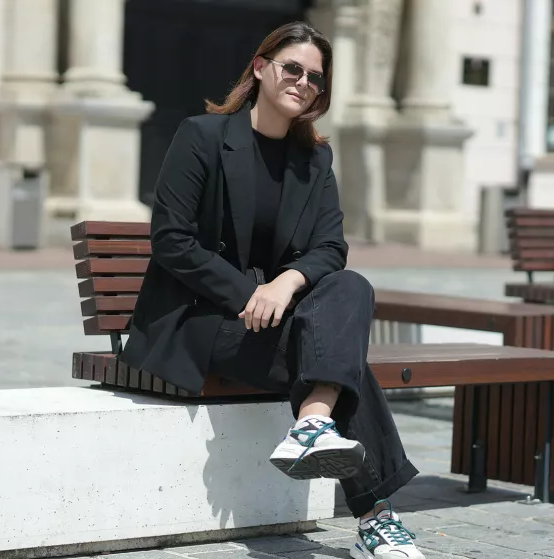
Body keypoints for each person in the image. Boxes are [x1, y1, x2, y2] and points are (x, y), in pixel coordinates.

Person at [120, 21, 425, 559]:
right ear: (260, 68)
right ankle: (375, 518)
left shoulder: (315, 160)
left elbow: (330, 248)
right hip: (202, 319)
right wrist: (250, 294)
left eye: (315, 78)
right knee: (341, 363)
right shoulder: (202, 137)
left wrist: (286, 282)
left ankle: (313, 424)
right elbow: (172, 241)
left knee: (350, 286)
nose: (303, 83)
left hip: (277, 318)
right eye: (293, 69)